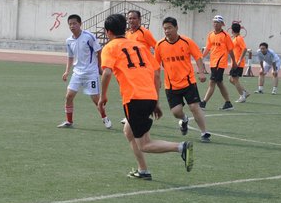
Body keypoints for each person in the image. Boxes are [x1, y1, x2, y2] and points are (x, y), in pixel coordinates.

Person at [98, 13, 193, 180]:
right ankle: (143, 170)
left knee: (144, 144)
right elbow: (156, 73)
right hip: (149, 95)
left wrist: (102, 97)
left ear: (108, 32)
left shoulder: (110, 47)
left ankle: (181, 147)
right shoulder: (139, 46)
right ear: (125, 28)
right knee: (128, 131)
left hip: (134, 99)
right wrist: (155, 101)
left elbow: (106, 73)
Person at [154, 17, 212, 143]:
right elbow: (156, 65)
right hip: (171, 85)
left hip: (188, 82)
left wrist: (201, 72)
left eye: (169, 28)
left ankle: (204, 133)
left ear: (176, 27)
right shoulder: (160, 45)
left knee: (194, 107)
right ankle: (184, 119)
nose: (167, 31)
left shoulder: (187, 41)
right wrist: (156, 79)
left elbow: (198, 57)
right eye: (165, 29)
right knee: (176, 112)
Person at [58, 14, 112, 129]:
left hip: (91, 73)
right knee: (69, 96)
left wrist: (99, 67)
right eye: (70, 24)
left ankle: (104, 117)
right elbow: (70, 57)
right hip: (77, 73)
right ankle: (69, 121)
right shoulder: (69, 41)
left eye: (74, 23)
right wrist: (67, 71)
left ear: (80, 24)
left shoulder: (89, 36)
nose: (72, 26)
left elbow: (99, 51)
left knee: (96, 99)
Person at [200, 14, 237, 111]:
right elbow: (208, 48)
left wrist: (234, 62)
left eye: (218, 22)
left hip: (220, 63)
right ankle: (228, 103)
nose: (215, 24)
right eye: (214, 22)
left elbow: (230, 50)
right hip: (213, 62)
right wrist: (201, 57)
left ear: (222, 24)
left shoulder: (225, 36)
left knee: (212, 82)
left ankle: (203, 103)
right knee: (219, 83)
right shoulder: (210, 34)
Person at [229, 22, 250, 103]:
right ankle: (245, 92)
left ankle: (242, 96)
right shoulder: (235, 38)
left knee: (235, 79)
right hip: (234, 63)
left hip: (238, 63)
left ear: (232, 30)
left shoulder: (239, 38)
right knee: (231, 79)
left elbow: (244, 48)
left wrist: (239, 60)